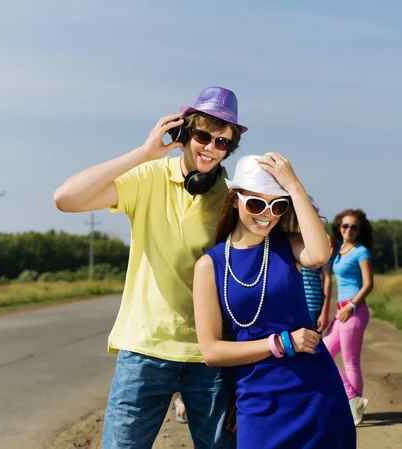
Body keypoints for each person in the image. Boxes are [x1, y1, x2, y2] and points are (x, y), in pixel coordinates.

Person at [53, 86, 247, 449]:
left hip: (209, 354)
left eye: (222, 142)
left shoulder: (234, 199)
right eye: (203, 135)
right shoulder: (148, 177)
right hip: (145, 348)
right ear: (184, 132)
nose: (210, 147)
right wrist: (143, 153)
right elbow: (66, 198)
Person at [193, 154, 356, 449]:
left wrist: (293, 185)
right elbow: (211, 351)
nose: (266, 214)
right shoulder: (210, 265)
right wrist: (279, 344)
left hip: (316, 393)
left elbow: (320, 255)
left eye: (277, 205)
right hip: (258, 398)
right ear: (234, 200)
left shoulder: (288, 246)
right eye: (256, 203)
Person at [323, 209, 374, 427]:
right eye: (345, 226)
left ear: (359, 231)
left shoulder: (361, 252)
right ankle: (354, 401)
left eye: (354, 227)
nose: (349, 230)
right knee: (322, 352)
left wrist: (352, 306)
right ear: (339, 227)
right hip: (340, 311)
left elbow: (368, 284)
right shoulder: (341, 250)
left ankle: (354, 408)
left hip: (353, 310)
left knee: (350, 363)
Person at [301, 196, 333, 332]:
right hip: (290, 304)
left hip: (313, 304)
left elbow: (327, 279)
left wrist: (325, 311)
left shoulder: (323, 240)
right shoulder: (286, 237)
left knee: (311, 349)